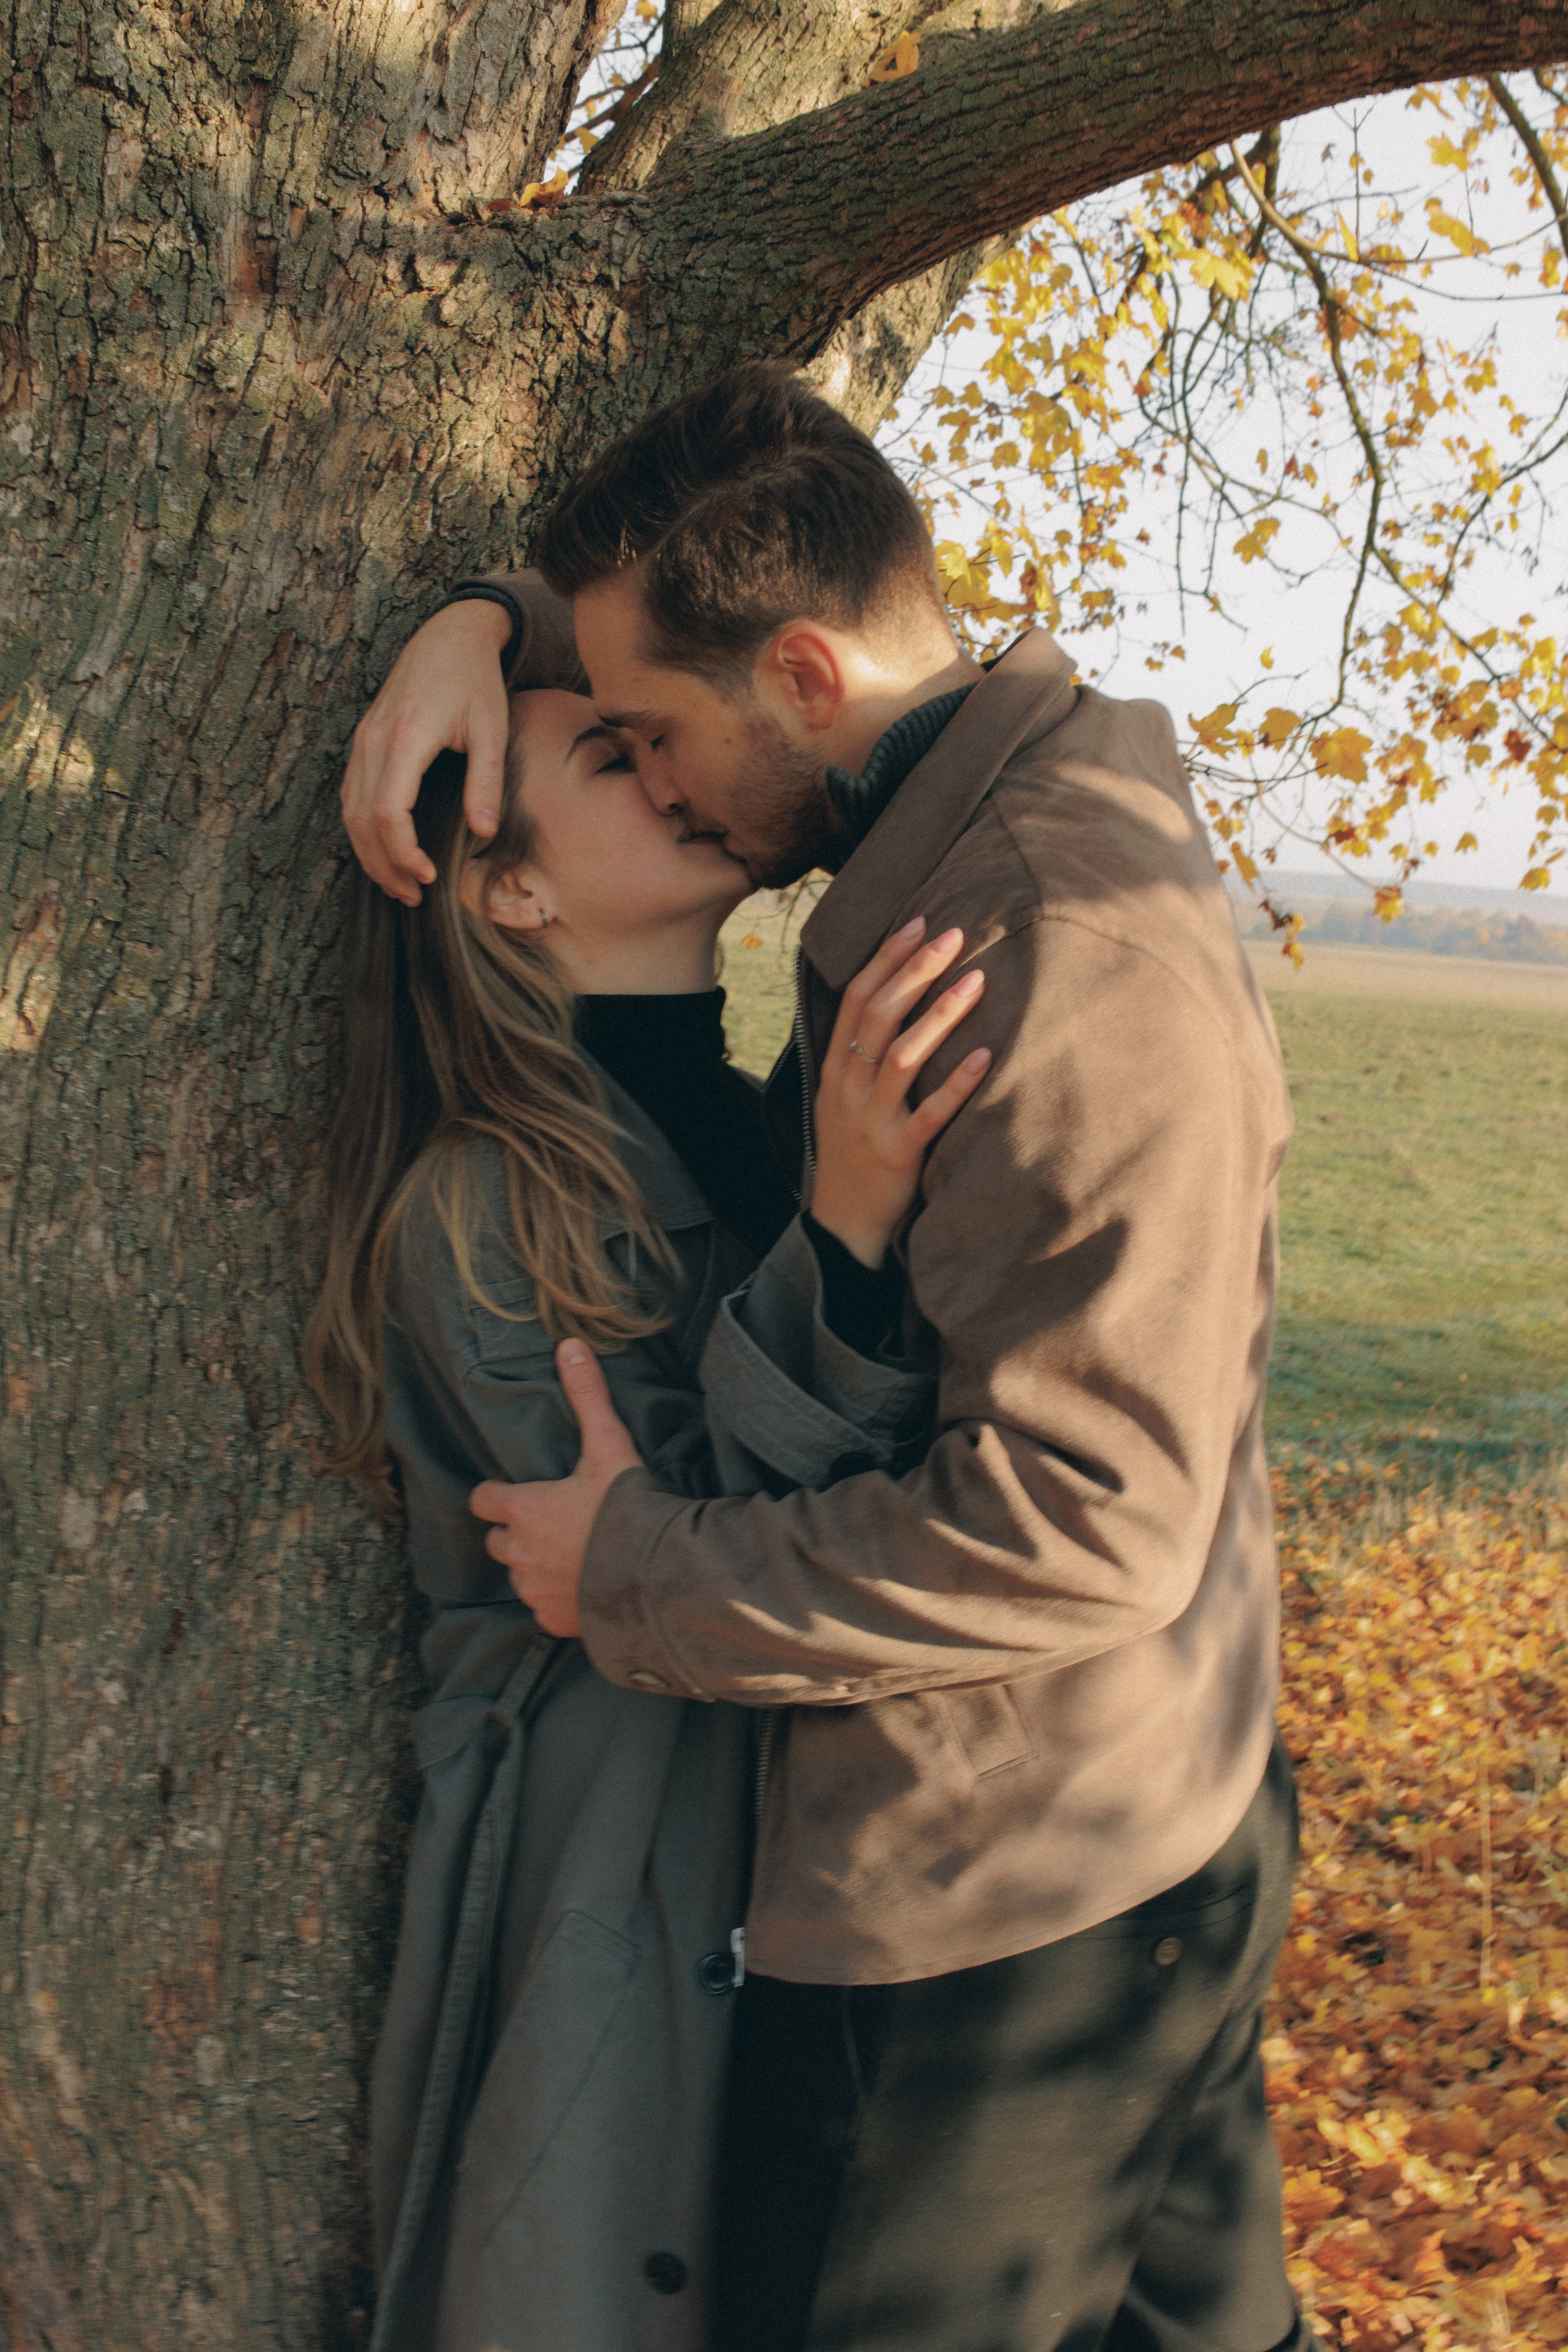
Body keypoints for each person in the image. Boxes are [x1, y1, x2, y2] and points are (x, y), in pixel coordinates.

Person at [342, 363, 1310, 2352]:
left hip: (1003, 1892)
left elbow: (1081, 1526)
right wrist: (471, 626)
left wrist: (636, 1575)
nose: (668, 778)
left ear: (800, 671)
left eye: (655, 738)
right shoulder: (992, 816)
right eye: (607, 744)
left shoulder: (1037, 948)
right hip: (1125, 1823)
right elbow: (652, 647)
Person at [307, 676, 990, 2351]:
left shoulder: (751, 1113)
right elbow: (665, 1573)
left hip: (794, 1855)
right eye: (613, 758)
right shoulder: (483, 1205)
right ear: (507, 888)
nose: (675, 771)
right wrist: (837, 1235)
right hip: (620, 1876)